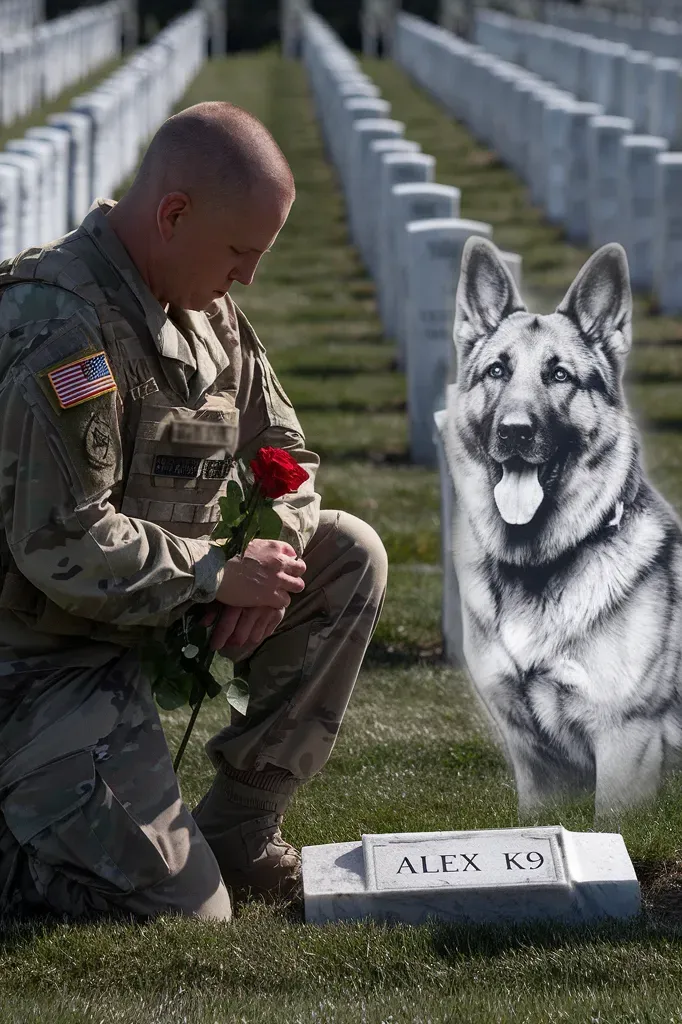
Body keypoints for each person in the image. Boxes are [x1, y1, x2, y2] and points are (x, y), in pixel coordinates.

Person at [0, 101, 388, 923]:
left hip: (143, 625)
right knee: (191, 916)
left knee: (346, 552)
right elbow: (63, 538)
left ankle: (242, 828)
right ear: (173, 215)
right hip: (38, 666)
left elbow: (287, 455)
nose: (248, 277)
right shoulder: (60, 328)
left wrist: (273, 564)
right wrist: (216, 574)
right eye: (241, 252)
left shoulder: (206, 314)